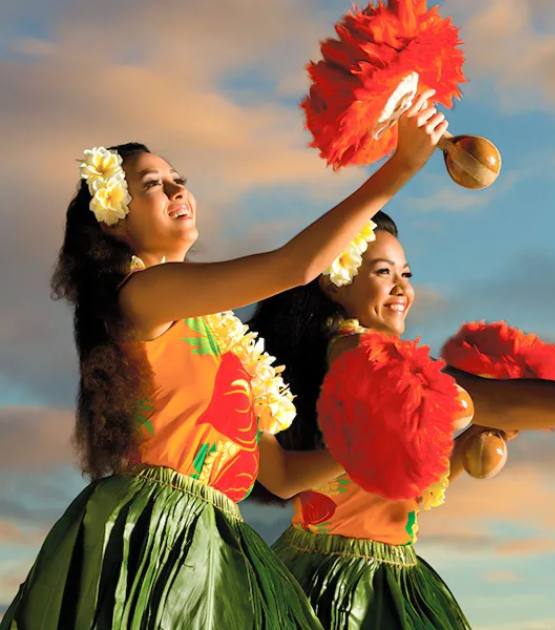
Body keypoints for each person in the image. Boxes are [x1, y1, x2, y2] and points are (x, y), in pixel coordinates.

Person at [1, 91, 449, 629]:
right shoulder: (141, 295)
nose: (176, 188)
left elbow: (280, 477)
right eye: (152, 184)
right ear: (114, 221)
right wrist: (399, 167)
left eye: (177, 178)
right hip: (160, 536)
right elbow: (295, 265)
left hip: (217, 537)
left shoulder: (221, 338)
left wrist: (378, 451)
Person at [248, 211, 555, 629]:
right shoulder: (362, 353)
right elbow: (494, 401)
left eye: (406, 274)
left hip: (356, 564)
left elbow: (404, 499)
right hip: (348, 586)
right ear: (335, 281)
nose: (401, 287)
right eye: (383, 272)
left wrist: (467, 449)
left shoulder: (344, 355)